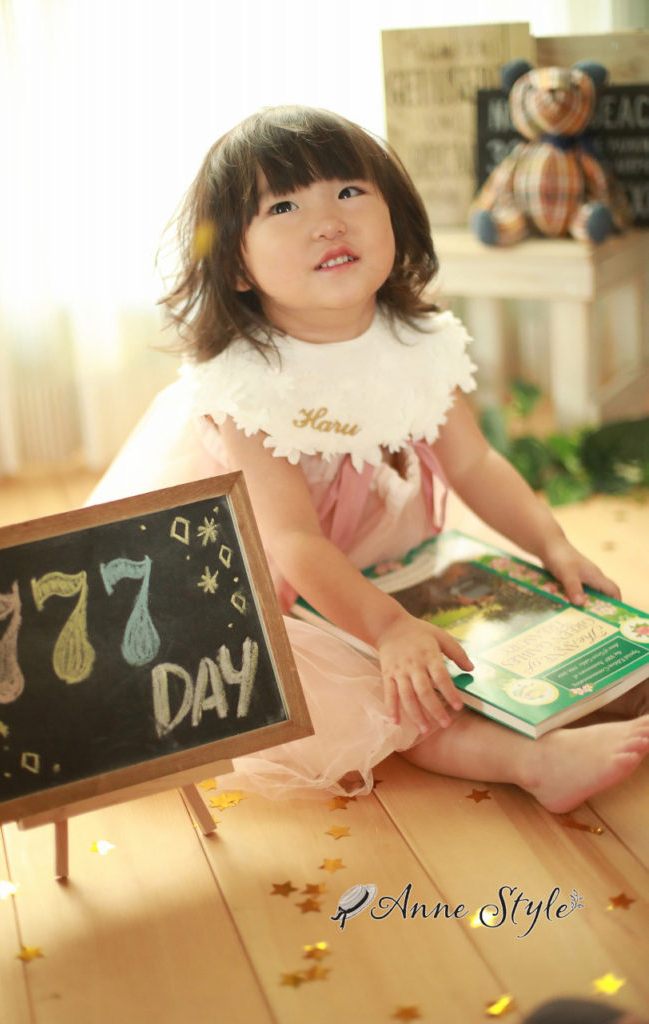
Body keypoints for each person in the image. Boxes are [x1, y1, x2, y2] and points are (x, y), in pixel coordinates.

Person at [89, 105, 649, 808]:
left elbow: (475, 465)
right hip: (282, 585)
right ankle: (533, 764)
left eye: (350, 191)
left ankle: (609, 693)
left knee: (523, 623)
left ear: (396, 217)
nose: (328, 222)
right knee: (382, 691)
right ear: (235, 265)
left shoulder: (416, 340)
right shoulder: (248, 384)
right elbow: (293, 541)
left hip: (386, 554)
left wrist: (552, 543)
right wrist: (387, 629)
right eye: (284, 206)